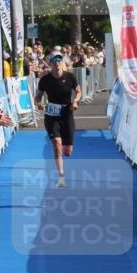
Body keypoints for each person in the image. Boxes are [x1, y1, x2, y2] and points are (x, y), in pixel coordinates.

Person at [35, 53, 80, 188]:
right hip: (51, 116)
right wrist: (39, 104)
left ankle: (66, 152)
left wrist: (76, 101)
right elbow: (38, 96)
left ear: (63, 63)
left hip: (67, 115)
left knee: (68, 151)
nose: (57, 62)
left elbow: (78, 91)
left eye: (60, 60)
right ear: (51, 64)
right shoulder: (45, 79)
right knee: (56, 144)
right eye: (54, 60)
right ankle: (61, 177)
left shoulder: (70, 77)